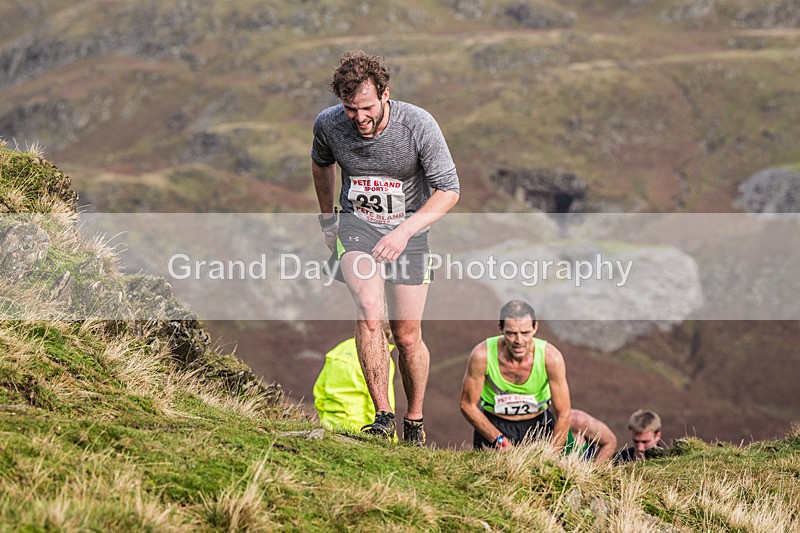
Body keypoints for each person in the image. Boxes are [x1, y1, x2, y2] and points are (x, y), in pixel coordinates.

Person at [311, 50, 460, 444]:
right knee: (371, 313)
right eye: (349, 109)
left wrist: (405, 231)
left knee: (408, 336)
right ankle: (383, 415)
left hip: (409, 232)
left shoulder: (418, 124)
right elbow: (321, 163)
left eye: (366, 108)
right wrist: (328, 220)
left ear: (384, 95)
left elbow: (449, 190)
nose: (359, 118)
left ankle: (414, 420)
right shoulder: (328, 125)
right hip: (358, 227)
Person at [459, 300, 572, 450]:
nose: (519, 341)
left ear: (535, 328)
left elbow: (564, 412)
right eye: (511, 333)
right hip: (495, 424)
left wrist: (552, 455)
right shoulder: (482, 356)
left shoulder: (551, 358)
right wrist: (499, 441)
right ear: (500, 329)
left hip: (538, 423)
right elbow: (467, 405)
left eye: (525, 333)